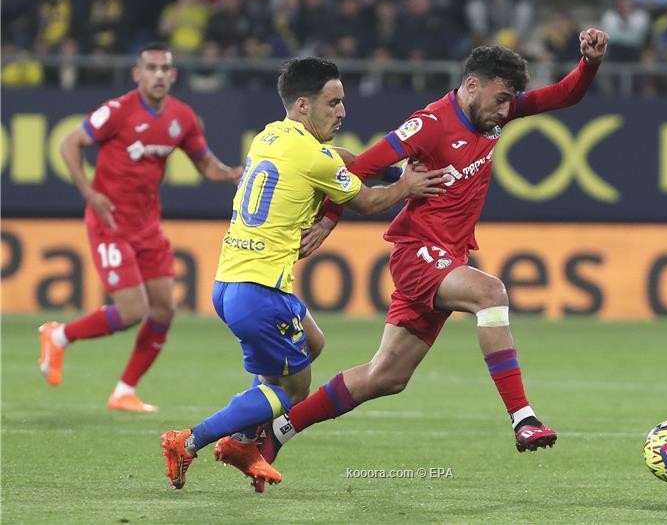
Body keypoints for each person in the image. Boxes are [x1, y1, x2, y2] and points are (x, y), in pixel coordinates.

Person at [225, 30, 610, 492]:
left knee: (385, 377)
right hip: (417, 254)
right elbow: (360, 166)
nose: (507, 109)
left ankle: (275, 433)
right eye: (501, 98)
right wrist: (329, 220)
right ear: (472, 86)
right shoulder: (429, 123)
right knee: (491, 292)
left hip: (448, 255)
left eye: (511, 101)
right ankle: (523, 418)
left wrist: (589, 63)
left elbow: (565, 95)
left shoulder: (494, 117)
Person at [159, 57, 446, 490]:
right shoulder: (314, 158)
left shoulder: (269, 136)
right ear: (303, 104)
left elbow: (338, 158)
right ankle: (192, 440)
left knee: (313, 342)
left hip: (230, 282)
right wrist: (405, 184)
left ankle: (242, 439)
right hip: (261, 291)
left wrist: (386, 167)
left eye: (342, 101)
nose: (342, 111)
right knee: (293, 390)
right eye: (332, 102)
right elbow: (368, 203)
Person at [38, 42, 244, 413]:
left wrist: (231, 174)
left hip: (148, 225)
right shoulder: (118, 111)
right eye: (151, 68)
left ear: (174, 75)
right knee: (132, 310)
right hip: (110, 222)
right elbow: (70, 143)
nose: (159, 75)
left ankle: (124, 391)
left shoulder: (182, 117)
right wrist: (89, 192)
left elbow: (205, 163)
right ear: (137, 74)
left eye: (165, 68)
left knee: (164, 309)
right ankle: (59, 335)